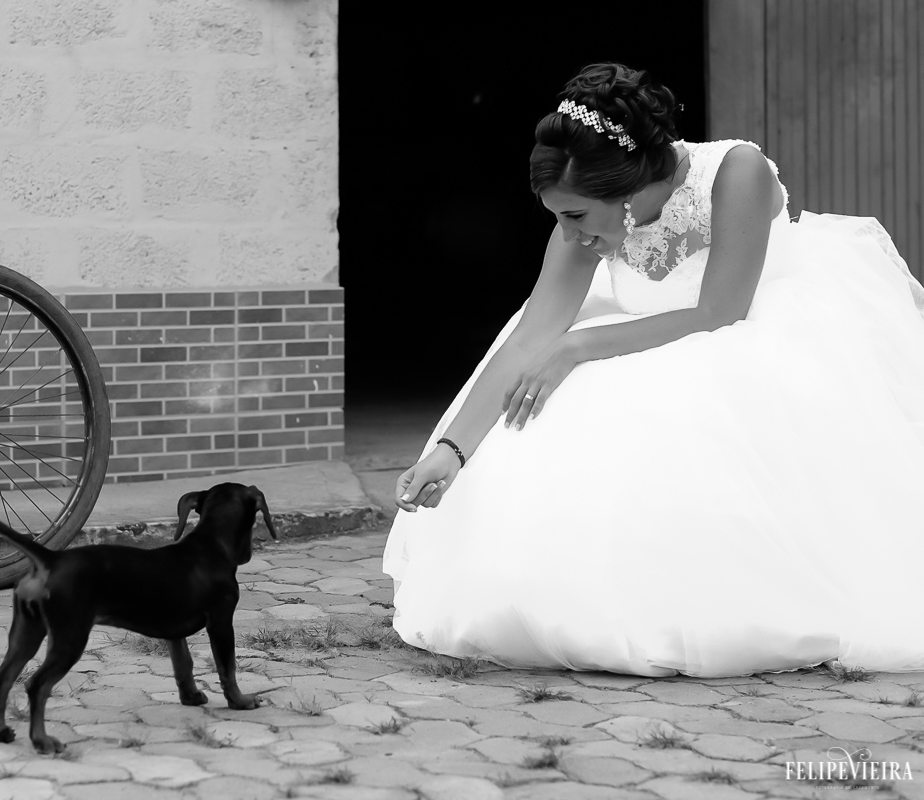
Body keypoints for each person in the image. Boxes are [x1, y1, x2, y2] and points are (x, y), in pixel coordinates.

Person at [382, 62, 924, 678]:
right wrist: (452, 449)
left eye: (578, 216)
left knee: (640, 403)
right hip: (641, 331)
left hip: (750, 340)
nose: (567, 233)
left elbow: (720, 314)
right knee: (550, 411)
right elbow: (532, 336)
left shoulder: (734, 172)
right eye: (557, 215)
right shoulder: (581, 218)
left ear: (629, 186)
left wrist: (581, 346)